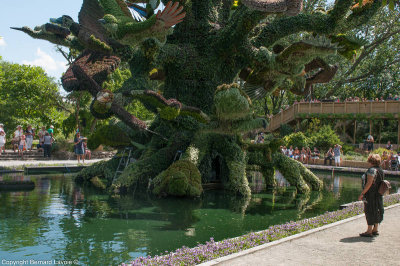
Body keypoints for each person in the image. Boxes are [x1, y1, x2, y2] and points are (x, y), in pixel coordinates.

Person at [358, 154, 384, 237]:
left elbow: (369, 183)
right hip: (378, 194)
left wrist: (362, 193)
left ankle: (369, 231)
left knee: (369, 210)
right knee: (376, 210)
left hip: (370, 194)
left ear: (371, 161)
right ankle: (375, 229)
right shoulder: (380, 170)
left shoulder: (371, 170)